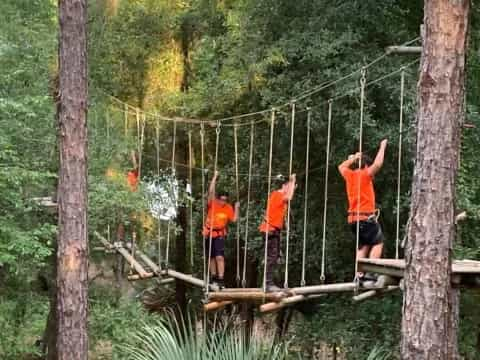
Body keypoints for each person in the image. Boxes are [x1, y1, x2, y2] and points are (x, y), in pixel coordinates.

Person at [338, 139, 387, 282]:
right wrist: (382, 146)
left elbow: (341, 166)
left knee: (363, 246)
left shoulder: (349, 175)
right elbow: (378, 164)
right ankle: (371, 273)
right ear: (366, 166)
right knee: (378, 242)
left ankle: (359, 275)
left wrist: (353, 159)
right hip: (365, 218)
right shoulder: (365, 175)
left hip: (353, 220)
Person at [259, 174, 297, 292]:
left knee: (274, 257)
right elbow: (289, 197)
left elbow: (288, 197)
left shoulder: (280, 197)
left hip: (273, 230)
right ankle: (267, 283)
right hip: (270, 230)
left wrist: (292, 186)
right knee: (272, 257)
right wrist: (293, 180)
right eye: (288, 187)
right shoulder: (277, 195)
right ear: (284, 186)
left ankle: (267, 283)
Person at [203, 171, 240, 289]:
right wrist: (214, 177)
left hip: (219, 234)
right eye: (222, 199)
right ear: (218, 199)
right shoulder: (212, 203)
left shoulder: (228, 207)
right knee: (211, 257)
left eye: (225, 200)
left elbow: (234, 219)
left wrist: (236, 208)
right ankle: (213, 277)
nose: (223, 202)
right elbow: (211, 191)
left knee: (220, 257)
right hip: (208, 233)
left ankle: (221, 279)